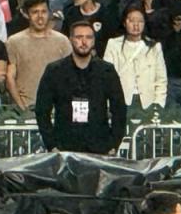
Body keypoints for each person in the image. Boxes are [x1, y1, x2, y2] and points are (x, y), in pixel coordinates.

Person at [34, 19, 127, 155]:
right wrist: (52, 145)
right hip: (64, 147)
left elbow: (119, 109)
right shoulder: (55, 71)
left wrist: (113, 145)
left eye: (88, 37)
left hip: (99, 147)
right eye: (79, 37)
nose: (84, 42)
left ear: (94, 41)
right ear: (71, 39)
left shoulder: (106, 71)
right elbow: (42, 110)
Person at [6, 0, 72, 110]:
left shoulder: (62, 41)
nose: (40, 16)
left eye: (44, 12)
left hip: (56, 108)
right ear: (27, 14)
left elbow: (71, 75)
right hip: (26, 106)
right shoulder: (14, 41)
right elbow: (10, 77)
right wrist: (21, 107)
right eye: (35, 12)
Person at [103, 5, 167, 108]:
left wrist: (158, 103)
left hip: (148, 103)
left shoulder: (154, 47)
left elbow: (161, 79)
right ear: (124, 22)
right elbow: (107, 77)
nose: (136, 25)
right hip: (121, 101)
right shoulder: (113, 44)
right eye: (131, 21)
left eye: (140, 21)